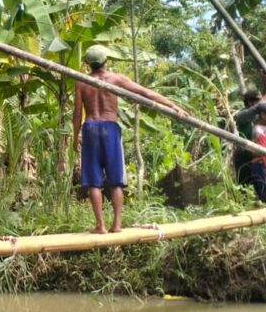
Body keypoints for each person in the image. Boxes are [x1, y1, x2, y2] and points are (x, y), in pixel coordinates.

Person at [73, 45, 187, 234]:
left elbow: (77, 114)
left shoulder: (81, 82)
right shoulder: (116, 78)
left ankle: (100, 226)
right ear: (106, 61)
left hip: (91, 128)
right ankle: (117, 225)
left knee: (94, 181)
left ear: (87, 64)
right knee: (116, 180)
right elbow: (146, 93)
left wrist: (75, 137)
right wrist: (172, 105)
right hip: (110, 127)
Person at [232, 88, 263, 198]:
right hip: (244, 155)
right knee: (244, 186)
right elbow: (251, 112)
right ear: (250, 102)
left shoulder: (259, 116)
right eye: (258, 101)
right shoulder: (242, 115)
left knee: (261, 185)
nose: (261, 103)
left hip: (258, 155)